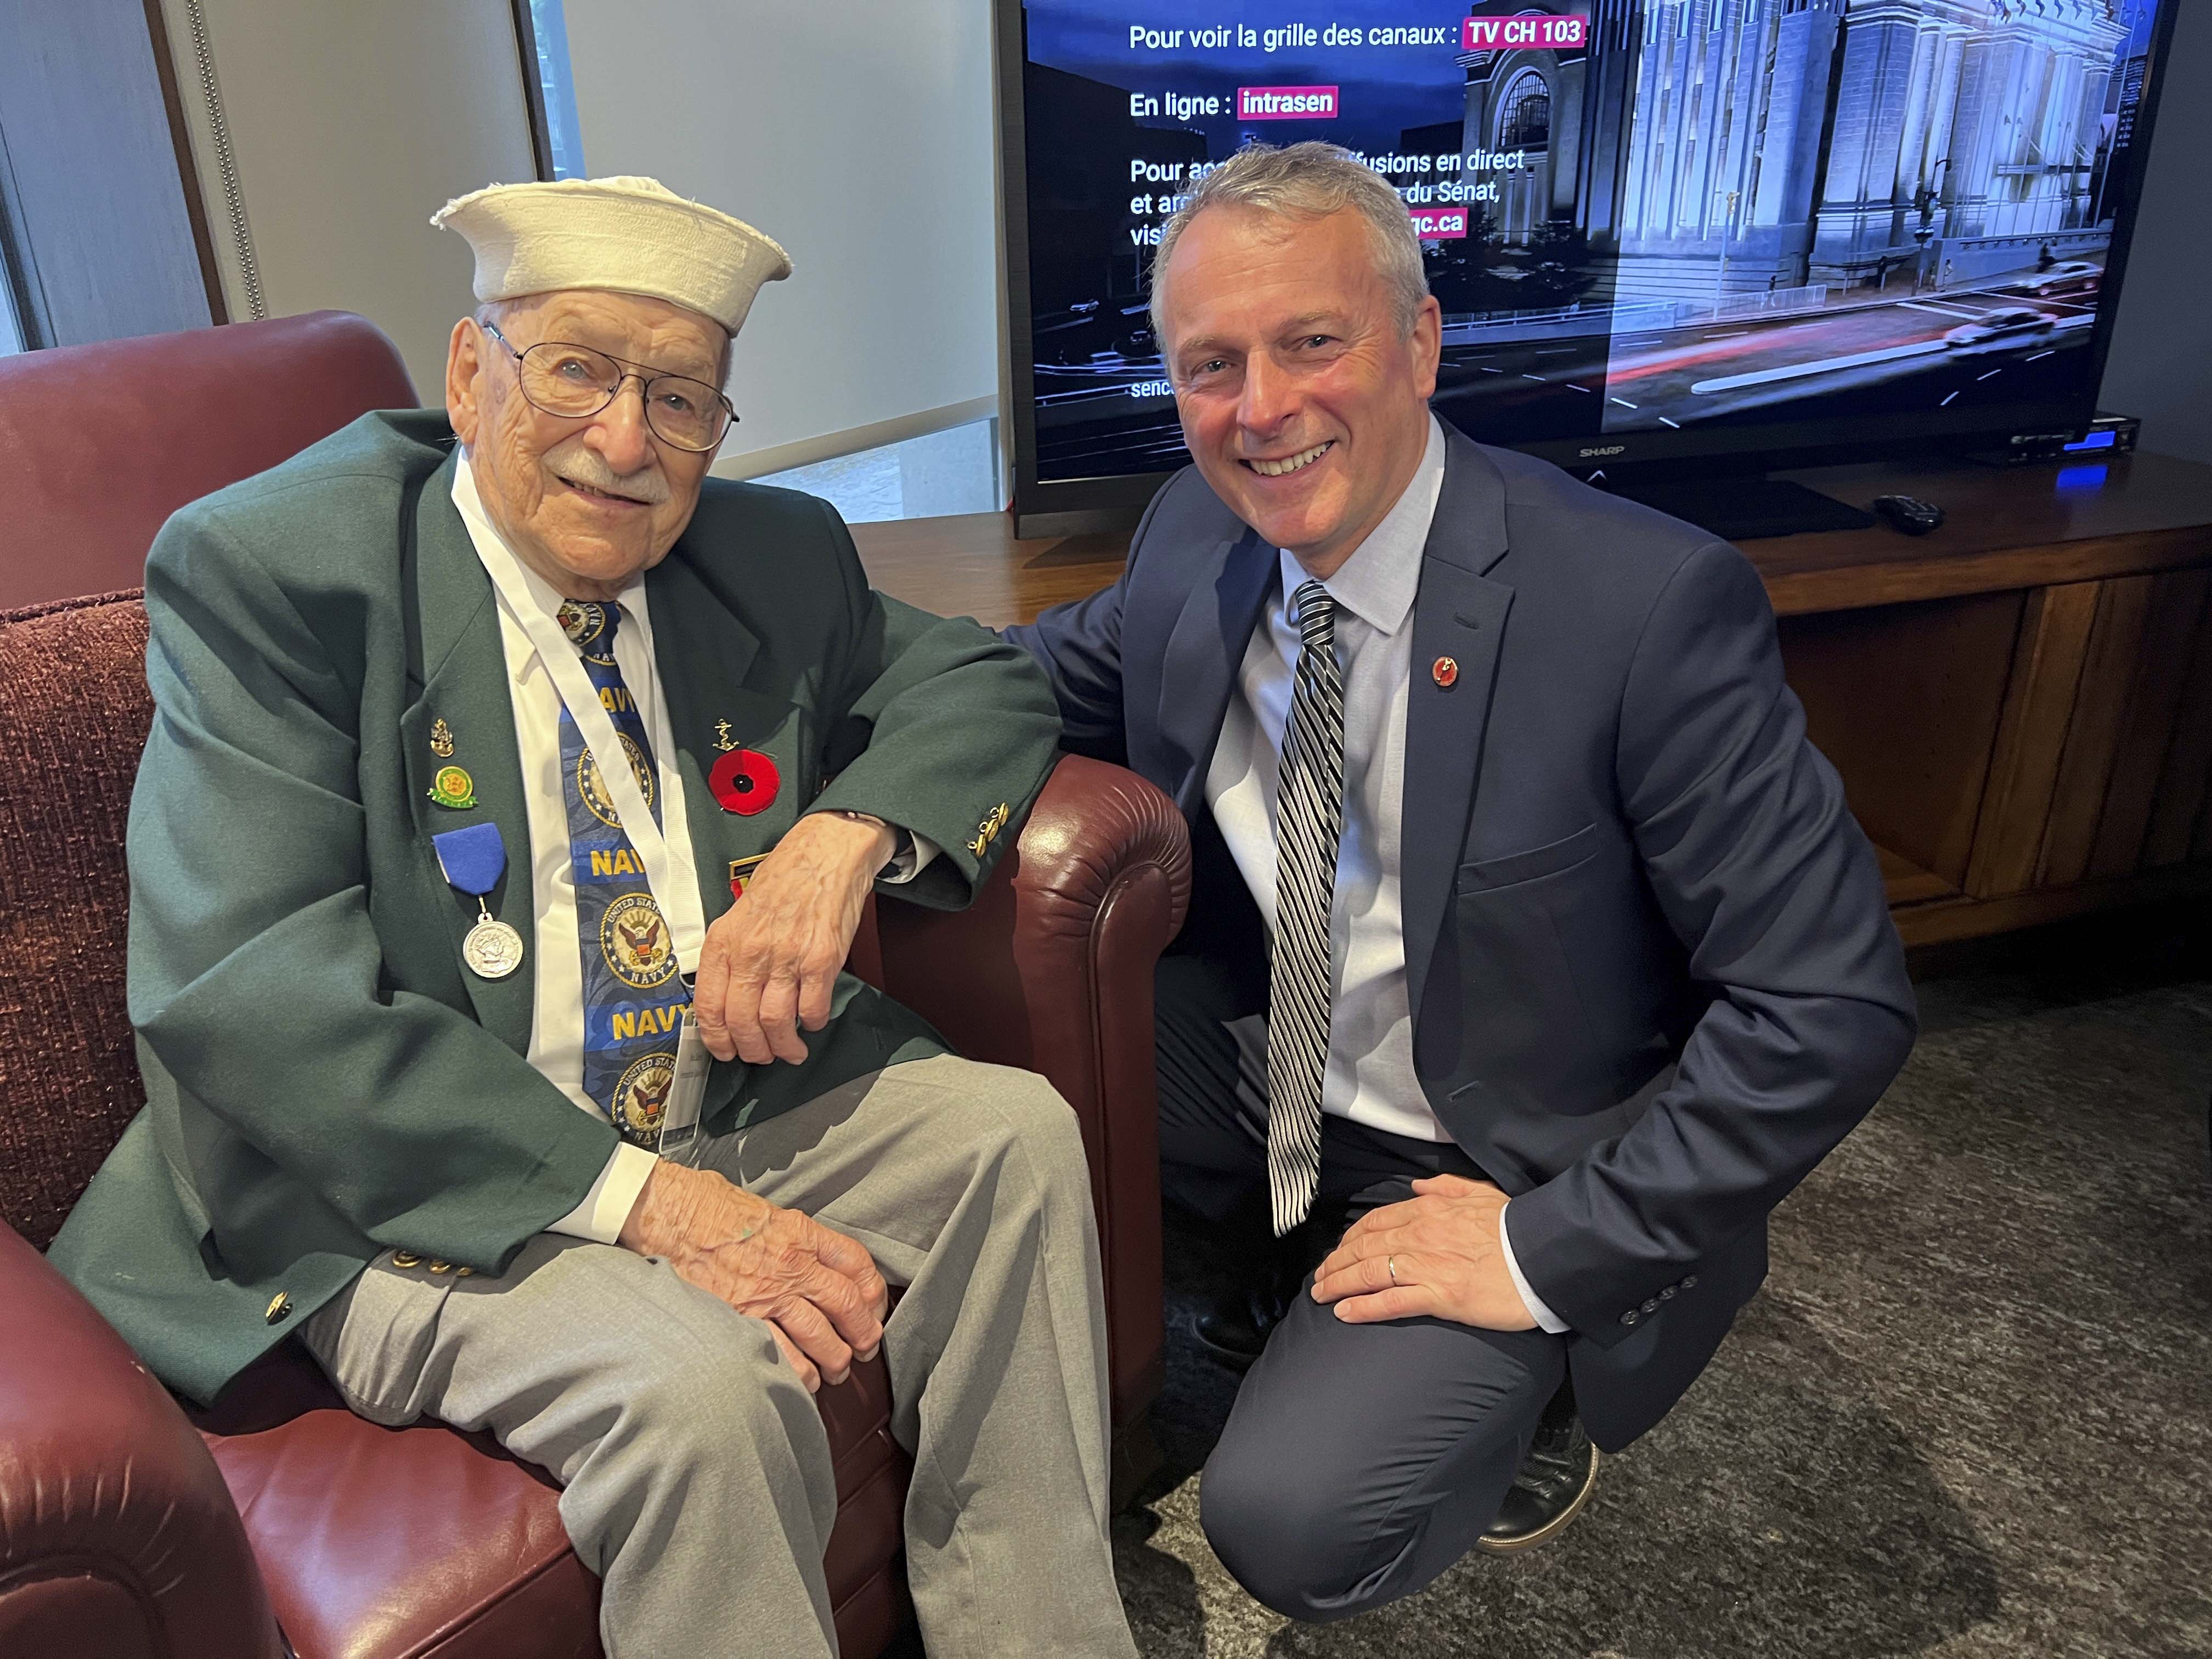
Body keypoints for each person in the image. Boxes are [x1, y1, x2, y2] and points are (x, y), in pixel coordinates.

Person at [50, 174, 1138, 1658]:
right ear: (468, 373)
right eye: (575, 368)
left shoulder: (767, 552)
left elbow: (984, 681)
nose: (627, 441)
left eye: (681, 397)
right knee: (700, 1394)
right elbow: (247, 992)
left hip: (712, 1087)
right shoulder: (283, 573)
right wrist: (656, 1209)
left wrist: (842, 834)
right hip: (402, 1174)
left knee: (1010, 1144)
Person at [1008, 142, 1916, 1621]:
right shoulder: (1195, 531)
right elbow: (1019, 687)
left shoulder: (1642, 607)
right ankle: (1298, 1267)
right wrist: (849, 810)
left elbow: (1830, 1005)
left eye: (1314, 342)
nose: (1261, 411)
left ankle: (1548, 1366)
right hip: (1287, 1056)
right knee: (1023, 1052)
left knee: (1295, 1523)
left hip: (1514, 1145)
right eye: (1210, 365)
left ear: (1420, 343)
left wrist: (1540, 1251)